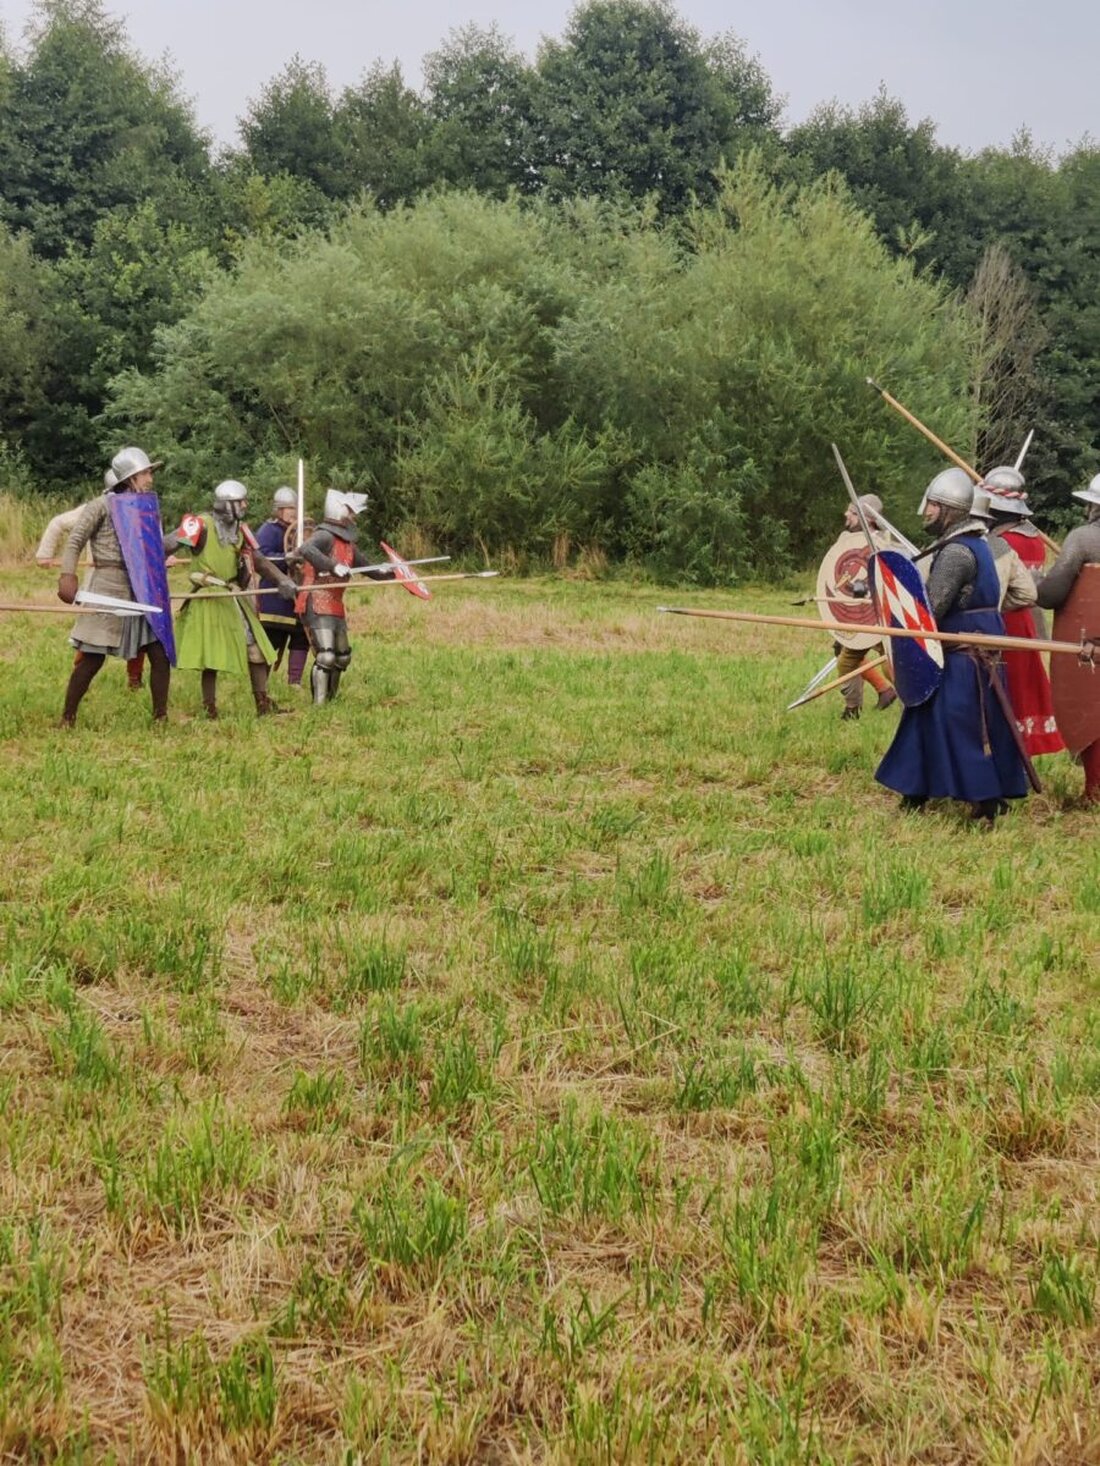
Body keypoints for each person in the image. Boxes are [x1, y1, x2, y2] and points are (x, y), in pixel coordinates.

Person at [875, 467, 1030, 822]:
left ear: (950, 510)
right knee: (925, 719)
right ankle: (915, 791)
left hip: (963, 657)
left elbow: (931, 609)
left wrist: (899, 609)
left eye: (932, 505)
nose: (926, 511)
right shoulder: (975, 544)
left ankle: (985, 801)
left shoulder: (959, 553)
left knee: (963, 728)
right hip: (968, 653)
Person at [56, 448, 174, 726]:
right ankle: (67, 717)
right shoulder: (101, 505)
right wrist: (67, 575)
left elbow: (155, 549)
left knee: (160, 653)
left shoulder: (147, 508)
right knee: (92, 657)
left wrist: (181, 537)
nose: (150, 479)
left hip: (142, 587)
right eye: (145, 473)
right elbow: (75, 541)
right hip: (109, 585)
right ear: (131, 477)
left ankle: (160, 719)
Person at [167, 481, 297, 719]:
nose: (245, 505)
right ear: (227, 504)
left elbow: (259, 561)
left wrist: (281, 580)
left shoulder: (241, 529)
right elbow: (166, 545)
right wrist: (153, 558)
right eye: (241, 501)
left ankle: (262, 704)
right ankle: (210, 709)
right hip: (209, 595)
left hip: (232, 594)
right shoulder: (199, 524)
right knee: (211, 655)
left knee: (256, 650)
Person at [979, 471, 1064, 758]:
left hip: (1004, 621)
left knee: (1008, 691)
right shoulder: (1034, 537)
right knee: (1023, 690)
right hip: (1027, 622)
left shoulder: (1004, 542)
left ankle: (1007, 755)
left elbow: (996, 588)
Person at [41, 470, 148, 690]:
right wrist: (45, 553)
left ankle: (134, 679)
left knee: (139, 633)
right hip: (99, 581)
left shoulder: (138, 508)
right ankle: (79, 678)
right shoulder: (97, 507)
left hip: (134, 582)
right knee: (93, 640)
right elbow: (59, 525)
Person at [287, 489, 394, 705]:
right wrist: (332, 565)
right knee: (326, 656)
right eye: (351, 512)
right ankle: (319, 705)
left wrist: (391, 571)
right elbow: (306, 549)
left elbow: (368, 568)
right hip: (316, 598)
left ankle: (331, 700)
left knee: (342, 657)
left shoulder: (348, 545)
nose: (354, 517)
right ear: (339, 511)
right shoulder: (324, 535)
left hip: (335, 602)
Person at [1036, 474, 1100, 802]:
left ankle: (1095, 791)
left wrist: (1036, 583)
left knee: (1094, 709)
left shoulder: (1084, 539)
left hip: (1093, 645)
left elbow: (1053, 592)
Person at [819, 494, 897, 720]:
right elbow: (837, 573)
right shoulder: (848, 541)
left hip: (879, 614)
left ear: (867, 519)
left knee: (892, 663)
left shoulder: (884, 542)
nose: (846, 515)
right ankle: (852, 709)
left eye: (852, 512)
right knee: (847, 661)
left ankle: (912, 705)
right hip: (856, 615)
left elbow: (888, 578)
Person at [254, 486, 310, 691]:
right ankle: (261, 683)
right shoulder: (268, 530)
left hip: (298, 593)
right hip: (275, 595)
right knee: (272, 640)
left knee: (301, 636)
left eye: (294, 508)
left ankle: (294, 681)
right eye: (287, 508)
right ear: (278, 510)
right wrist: (285, 558)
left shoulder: (300, 531)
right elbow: (262, 558)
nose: (292, 512)